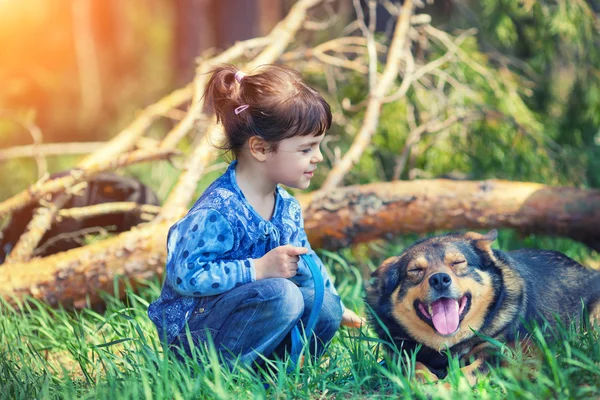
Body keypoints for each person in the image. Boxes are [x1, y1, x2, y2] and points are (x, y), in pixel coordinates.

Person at [148, 64, 364, 368]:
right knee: (283, 295)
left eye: (318, 146)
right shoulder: (218, 211)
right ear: (261, 148)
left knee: (324, 304)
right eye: (306, 149)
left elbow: (306, 261)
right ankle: (214, 373)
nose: (318, 157)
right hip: (195, 333)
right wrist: (257, 269)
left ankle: (277, 370)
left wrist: (334, 301)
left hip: (254, 312)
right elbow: (185, 276)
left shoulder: (286, 208)